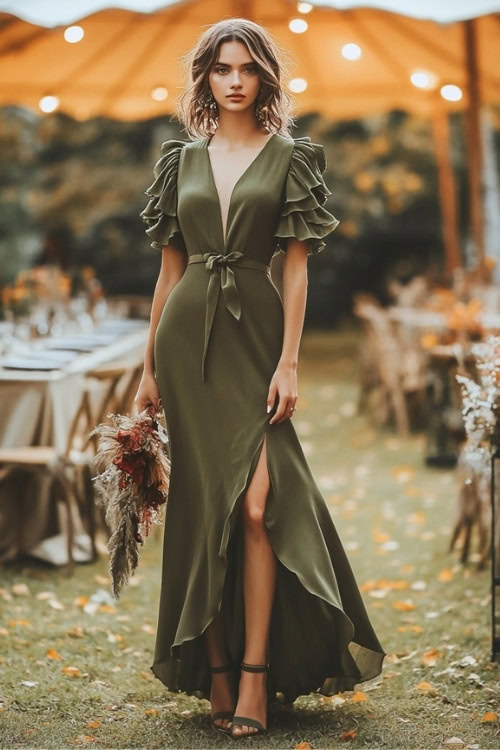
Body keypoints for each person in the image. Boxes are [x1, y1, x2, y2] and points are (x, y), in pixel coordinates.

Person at [136, 17, 386, 740]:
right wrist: (149, 369)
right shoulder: (178, 161)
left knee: (255, 507)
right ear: (206, 79)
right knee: (202, 509)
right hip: (187, 345)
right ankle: (214, 672)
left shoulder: (292, 157)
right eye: (222, 69)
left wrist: (290, 361)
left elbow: (297, 265)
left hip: (256, 336)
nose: (235, 79)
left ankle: (253, 676)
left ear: (266, 76)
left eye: (247, 68)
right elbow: (169, 270)